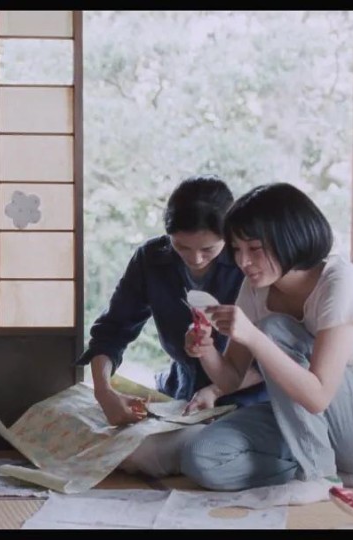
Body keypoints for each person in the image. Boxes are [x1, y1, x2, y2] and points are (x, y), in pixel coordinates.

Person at [75, 175, 268, 477]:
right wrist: (104, 391)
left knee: (149, 454)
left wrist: (215, 390)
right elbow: (112, 330)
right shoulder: (152, 259)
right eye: (181, 246)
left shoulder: (251, 265)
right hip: (180, 392)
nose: (195, 258)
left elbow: (274, 355)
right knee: (86, 433)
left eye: (208, 249)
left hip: (246, 396)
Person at [181, 182, 353, 491]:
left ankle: (320, 475)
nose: (243, 261)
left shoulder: (340, 281)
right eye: (237, 249)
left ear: (289, 238)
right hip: (307, 423)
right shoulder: (255, 288)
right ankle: (331, 471)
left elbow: (318, 397)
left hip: (352, 423)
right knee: (203, 456)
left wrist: (254, 337)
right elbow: (231, 380)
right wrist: (206, 349)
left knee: (274, 328)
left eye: (254, 248)